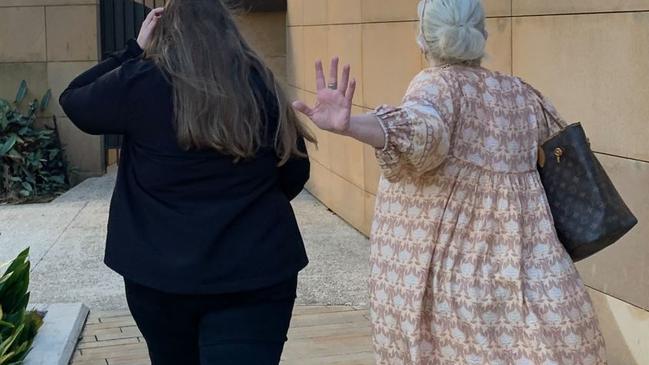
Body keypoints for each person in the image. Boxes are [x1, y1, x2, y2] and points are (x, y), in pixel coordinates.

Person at [292, 0, 607, 364]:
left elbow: (422, 132)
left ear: (422, 40)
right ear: (482, 33)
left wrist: (351, 126)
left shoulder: (435, 86)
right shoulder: (520, 91)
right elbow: (561, 149)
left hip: (457, 274)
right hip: (532, 269)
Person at [59, 1, 314, 364]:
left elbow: (74, 99)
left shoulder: (139, 81)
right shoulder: (260, 83)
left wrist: (134, 48)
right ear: (228, 29)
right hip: (256, 274)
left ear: (166, 34)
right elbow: (293, 172)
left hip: (160, 280)